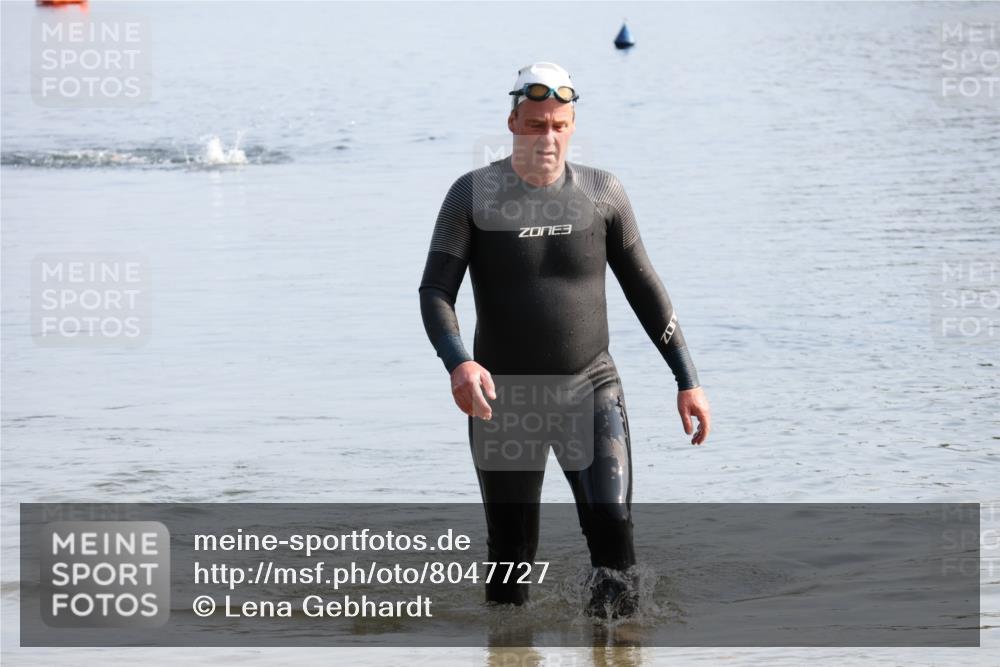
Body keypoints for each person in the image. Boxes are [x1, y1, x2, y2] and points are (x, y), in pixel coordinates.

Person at [418, 62, 712, 618]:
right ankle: (509, 654)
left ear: (572, 125)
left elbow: (647, 289)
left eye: (558, 124)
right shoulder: (472, 196)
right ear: (512, 121)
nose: (546, 138)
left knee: (615, 540)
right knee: (510, 558)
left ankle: (615, 649)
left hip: (590, 388)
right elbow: (435, 293)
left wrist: (687, 379)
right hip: (502, 398)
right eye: (534, 125)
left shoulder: (603, 193)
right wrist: (459, 364)